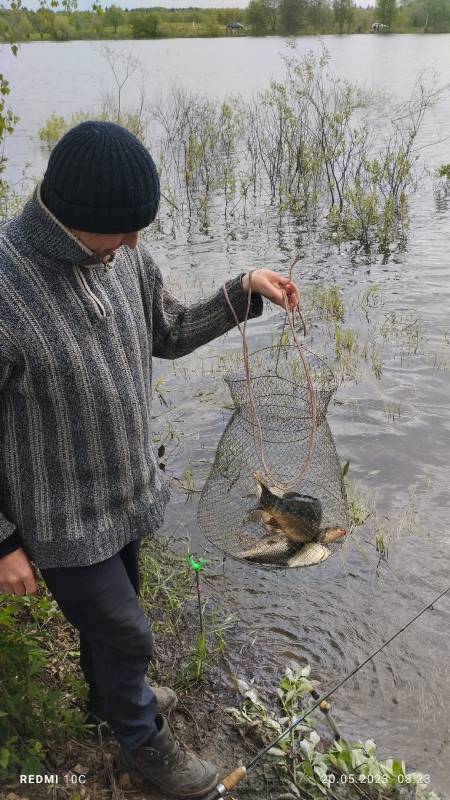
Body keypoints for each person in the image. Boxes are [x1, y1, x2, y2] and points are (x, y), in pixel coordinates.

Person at [0, 121, 300, 798]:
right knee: (130, 633)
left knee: (117, 618)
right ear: (72, 220)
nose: (137, 243)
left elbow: (170, 329)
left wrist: (244, 289)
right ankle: (144, 745)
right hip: (56, 520)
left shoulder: (124, 259)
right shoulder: (6, 287)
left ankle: (109, 701)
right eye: (125, 230)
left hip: (125, 498)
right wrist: (3, 541)